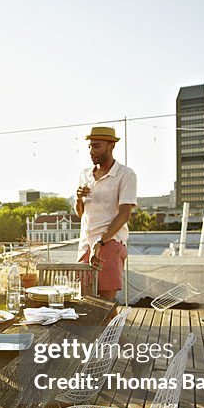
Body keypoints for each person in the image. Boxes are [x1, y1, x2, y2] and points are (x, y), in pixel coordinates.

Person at [76, 125, 137, 301]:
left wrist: (100, 242)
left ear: (111, 146)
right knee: (85, 301)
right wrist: (78, 199)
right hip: (86, 244)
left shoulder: (125, 175)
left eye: (96, 146)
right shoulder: (85, 174)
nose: (91, 151)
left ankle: (112, 330)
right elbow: (81, 214)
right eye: (89, 146)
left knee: (105, 302)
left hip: (108, 243)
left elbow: (124, 214)